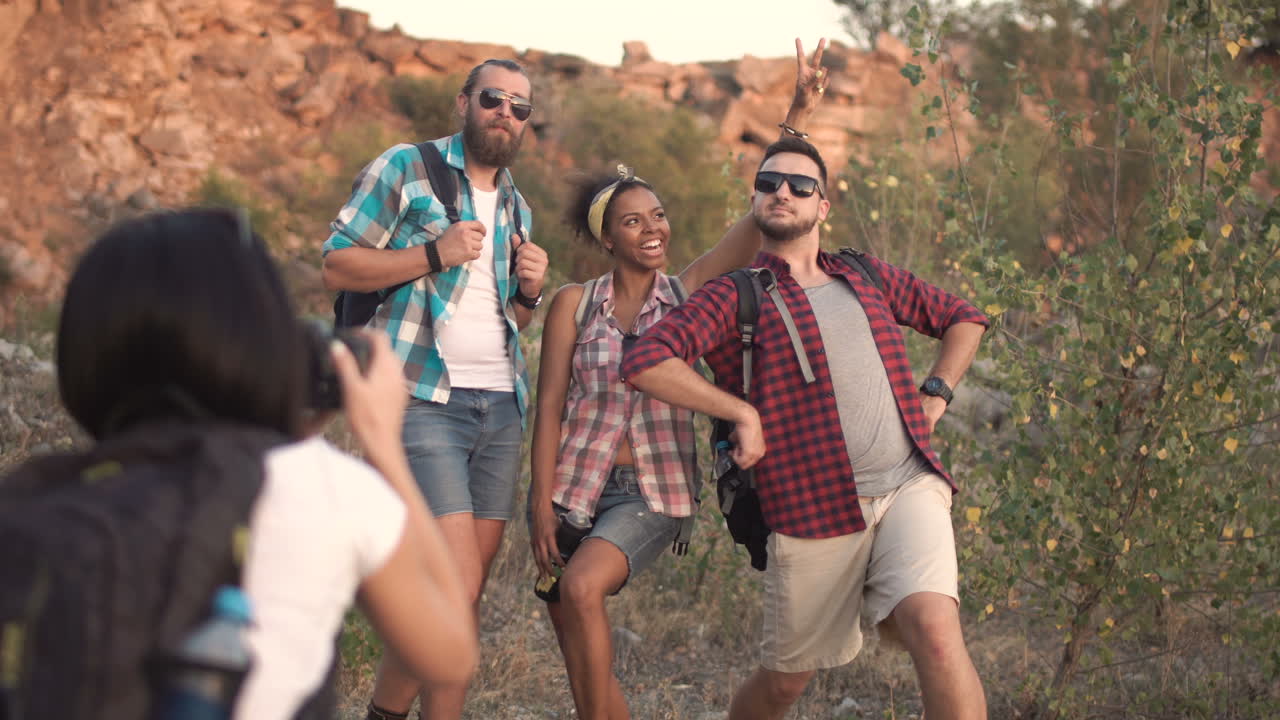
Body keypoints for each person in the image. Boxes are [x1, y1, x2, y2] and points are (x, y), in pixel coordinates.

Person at [44, 208, 477, 720]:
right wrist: (383, 443)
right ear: (266, 343)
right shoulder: (326, 486)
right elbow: (450, 655)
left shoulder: (46, 495)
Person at [621, 138, 991, 720]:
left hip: (906, 486)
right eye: (769, 184)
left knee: (938, 634)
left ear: (824, 206)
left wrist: (935, 395)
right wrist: (741, 412)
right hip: (811, 510)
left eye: (800, 185)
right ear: (755, 201)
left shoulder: (865, 274)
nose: (782, 192)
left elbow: (964, 318)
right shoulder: (734, 295)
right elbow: (645, 360)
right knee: (785, 684)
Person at [528, 38, 831, 720]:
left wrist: (796, 116)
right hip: (574, 485)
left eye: (658, 215)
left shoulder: (686, 294)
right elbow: (549, 408)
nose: (652, 229)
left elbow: (760, 217)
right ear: (609, 238)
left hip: (653, 493)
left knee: (580, 593)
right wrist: (539, 504)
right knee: (574, 632)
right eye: (633, 221)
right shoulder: (574, 305)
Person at [320, 58, 549, 720]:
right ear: (464, 102)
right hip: (421, 398)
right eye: (494, 99)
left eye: (520, 107)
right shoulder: (406, 168)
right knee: (455, 585)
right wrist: (432, 252)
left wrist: (529, 290)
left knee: (459, 598)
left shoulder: (517, 206)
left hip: (501, 409)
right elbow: (337, 264)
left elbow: (514, 319)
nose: (506, 113)